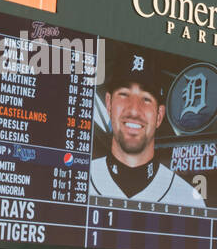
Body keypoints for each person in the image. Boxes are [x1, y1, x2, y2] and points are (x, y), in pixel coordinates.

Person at [88, 47, 205, 207]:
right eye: (124, 94)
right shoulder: (76, 183)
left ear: (159, 115)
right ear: (109, 104)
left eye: (146, 98)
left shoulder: (188, 200)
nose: (134, 110)